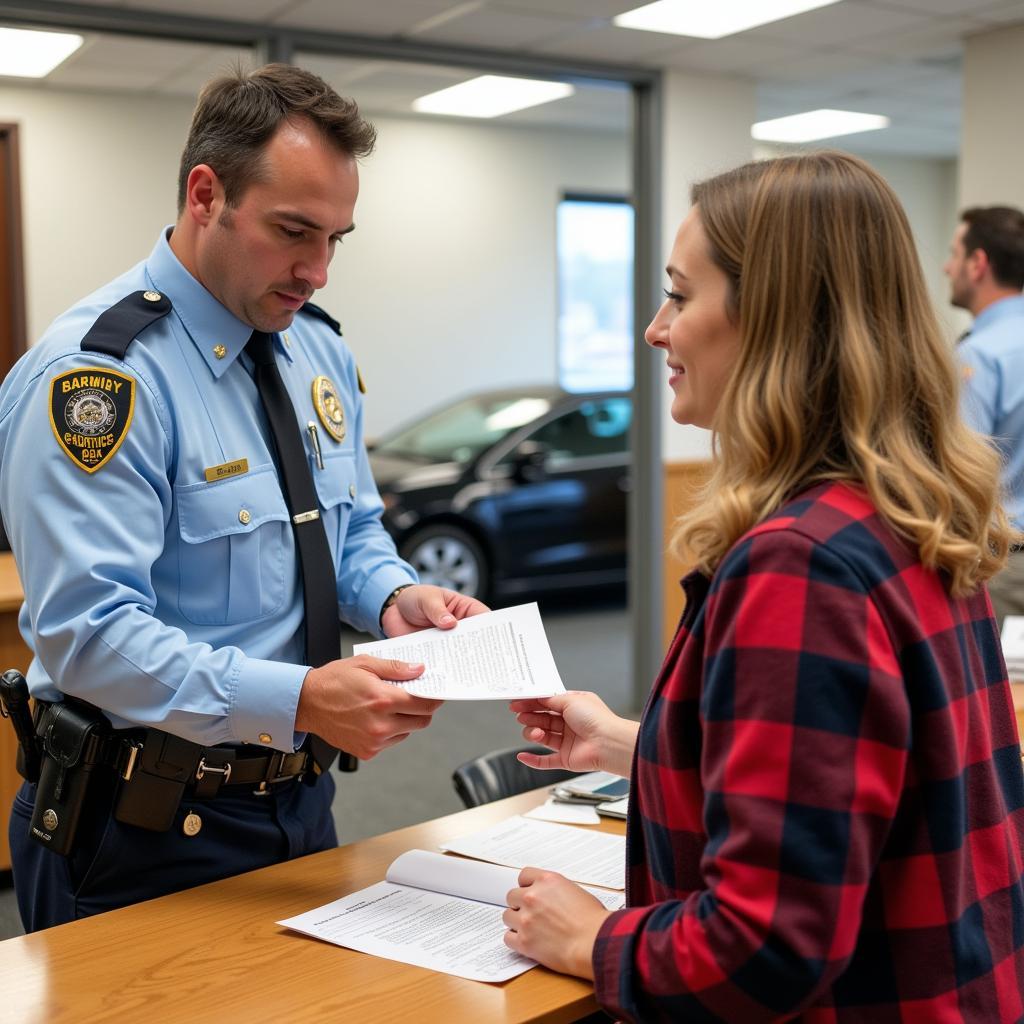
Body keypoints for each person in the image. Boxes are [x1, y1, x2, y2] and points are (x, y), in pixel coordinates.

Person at [504, 152, 1024, 1021]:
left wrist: (590, 939)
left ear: (773, 319)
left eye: (680, 293)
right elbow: (854, 787)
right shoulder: (907, 514)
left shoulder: (803, 563)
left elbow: (767, 947)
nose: (655, 329)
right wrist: (635, 747)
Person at [0, 63, 486, 932]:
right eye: (294, 231)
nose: (319, 270)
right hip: (135, 825)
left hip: (299, 803)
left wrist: (395, 595)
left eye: (338, 237)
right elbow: (87, 634)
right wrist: (301, 699)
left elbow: (354, 530)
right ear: (204, 193)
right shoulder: (101, 377)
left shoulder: (318, 353)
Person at [944, 205, 1024, 626]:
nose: (946, 266)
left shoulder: (980, 354)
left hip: (1007, 569)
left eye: (954, 254)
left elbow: (961, 473)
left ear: (978, 264)